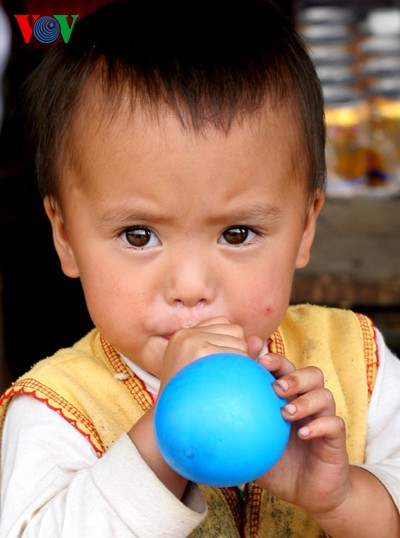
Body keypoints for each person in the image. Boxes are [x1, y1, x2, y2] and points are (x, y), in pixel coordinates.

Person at [0, 0, 399, 536]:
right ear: (66, 236)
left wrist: (344, 499)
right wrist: (161, 448)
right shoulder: (54, 411)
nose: (189, 288)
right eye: (138, 235)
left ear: (305, 228)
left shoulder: (358, 364)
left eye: (237, 234)